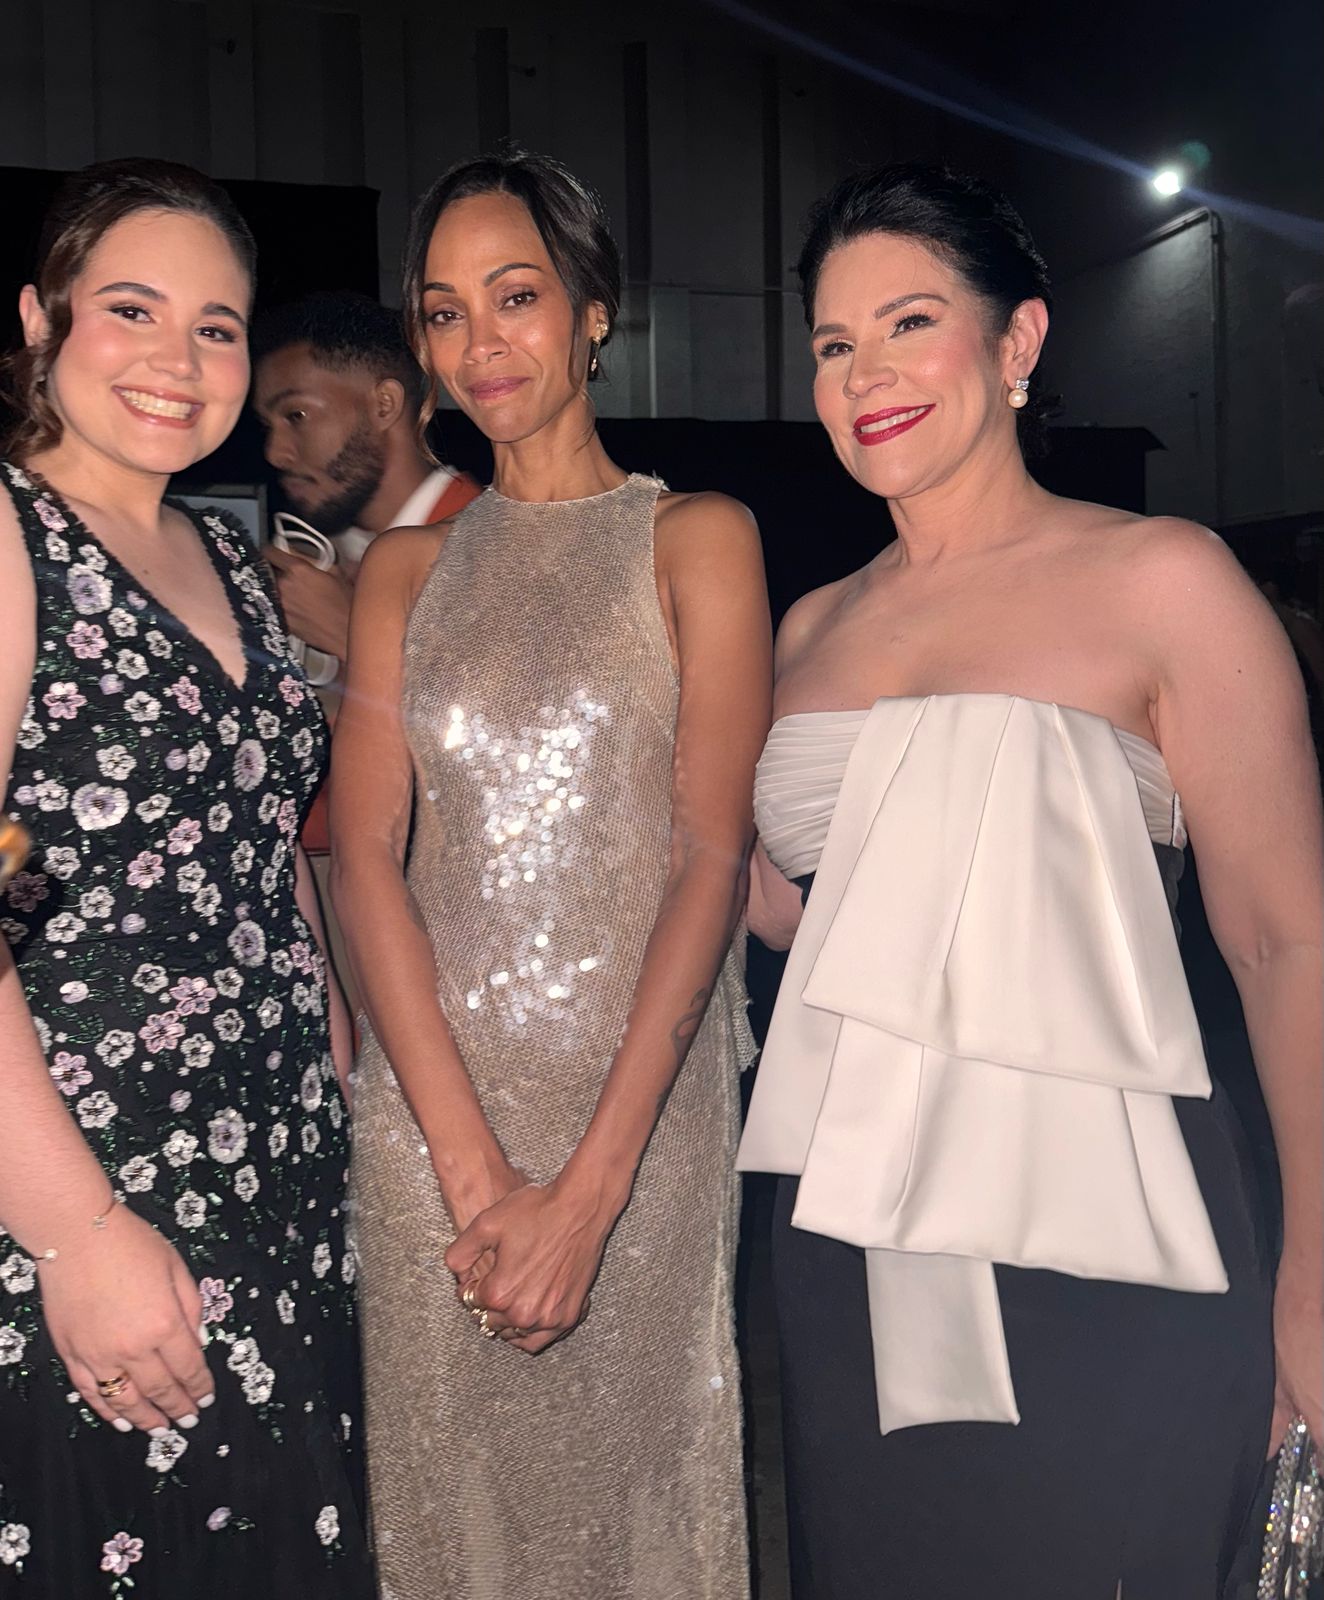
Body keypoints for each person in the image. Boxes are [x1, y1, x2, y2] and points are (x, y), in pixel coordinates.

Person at [738, 164, 1323, 1599]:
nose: (864, 373)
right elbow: (792, 914)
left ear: (1016, 345)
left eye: (909, 322)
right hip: (849, 1232)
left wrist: (1318, 1262)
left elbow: (1283, 944)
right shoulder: (806, 628)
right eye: (832, 343)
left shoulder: (1166, 579)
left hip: (1112, 1229)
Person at [332, 150, 770, 1600]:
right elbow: (369, 864)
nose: (479, 344)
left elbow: (709, 858)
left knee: (638, 1495)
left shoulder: (697, 541)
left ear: (595, 310)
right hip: (429, 1126)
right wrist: (467, 1172)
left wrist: (585, 1195)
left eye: (515, 297)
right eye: (444, 313)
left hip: (634, 1122)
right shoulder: (400, 574)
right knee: (454, 1513)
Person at [0, 159, 373, 1595]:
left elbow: (262, 838)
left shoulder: (227, 551)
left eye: (218, 327)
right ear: (40, 322)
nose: (180, 358)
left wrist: (328, 1048)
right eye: (134, 310)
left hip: (277, 1173)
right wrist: (76, 1232)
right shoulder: (13, 537)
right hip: (91, 1179)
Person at [252, 290, 480, 674]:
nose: (275, 452)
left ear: (384, 405)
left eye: (296, 415)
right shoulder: (314, 552)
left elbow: (507, 721)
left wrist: (349, 634)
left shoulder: (487, 548)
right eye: (266, 425)